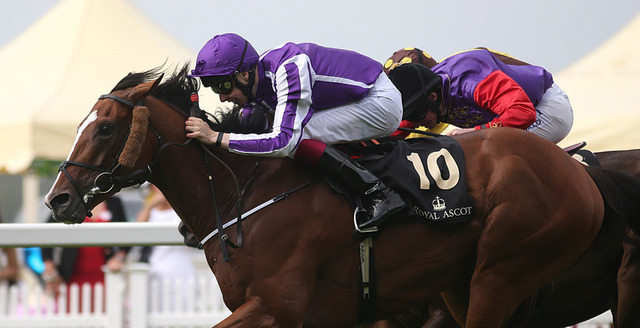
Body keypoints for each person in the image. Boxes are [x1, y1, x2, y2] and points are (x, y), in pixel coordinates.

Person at [185, 33, 405, 231]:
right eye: (215, 89)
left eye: (223, 86)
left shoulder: (288, 69)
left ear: (243, 74)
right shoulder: (257, 82)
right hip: (357, 100)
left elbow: (283, 142)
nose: (222, 97)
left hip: (379, 102)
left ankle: (378, 193)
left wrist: (216, 137)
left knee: (296, 139)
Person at [387, 47, 573, 144]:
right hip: (511, 113)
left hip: (544, 108)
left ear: (433, 98)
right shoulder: (422, 99)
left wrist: (476, 131)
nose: (416, 123)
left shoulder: (471, 83)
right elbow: (393, 133)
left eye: (416, 116)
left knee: (486, 145)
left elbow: (523, 112)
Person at [41, 197, 129, 310]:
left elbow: (126, 235)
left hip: (104, 275)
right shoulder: (69, 200)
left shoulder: (113, 202)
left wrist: (119, 257)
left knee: (104, 317)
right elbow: (46, 233)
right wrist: (49, 265)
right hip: (71, 276)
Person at [136, 185, 196, 309]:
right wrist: (149, 206)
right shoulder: (150, 212)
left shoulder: (181, 211)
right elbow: (137, 232)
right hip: (156, 269)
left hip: (181, 269)